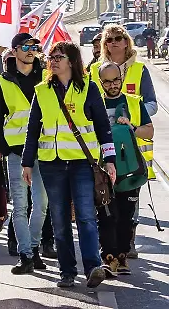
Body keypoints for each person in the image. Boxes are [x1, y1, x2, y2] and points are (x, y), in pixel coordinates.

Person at [22, 41, 116, 289]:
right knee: (59, 219)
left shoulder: (89, 88)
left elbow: (103, 129)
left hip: (82, 163)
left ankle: (92, 267)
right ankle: (67, 271)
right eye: (51, 57)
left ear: (72, 61)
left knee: (86, 216)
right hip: (51, 164)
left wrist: (110, 161)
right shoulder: (42, 90)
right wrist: (27, 163)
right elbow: (33, 130)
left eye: (58, 56)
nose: (53, 60)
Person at [0, 33, 48, 274]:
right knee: (20, 206)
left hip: (45, 150)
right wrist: (6, 148)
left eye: (34, 46)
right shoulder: (2, 82)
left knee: (41, 205)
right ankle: (26, 254)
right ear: (14, 51)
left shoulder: (45, 77)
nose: (31, 50)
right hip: (17, 153)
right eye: (26, 46)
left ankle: (34, 248)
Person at [92, 24, 157, 259]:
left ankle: (127, 243)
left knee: (129, 202)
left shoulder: (139, 70)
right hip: (104, 152)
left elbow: (150, 103)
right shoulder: (94, 69)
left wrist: (130, 119)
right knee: (107, 204)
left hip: (134, 149)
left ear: (127, 41)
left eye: (119, 38)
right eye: (109, 40)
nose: (114, 43)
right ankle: (109, 249)